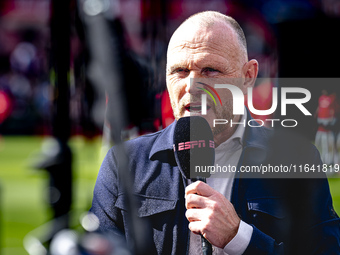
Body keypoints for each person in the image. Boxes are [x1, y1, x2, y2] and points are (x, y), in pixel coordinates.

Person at [91, 11, 340, 254]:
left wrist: (239, 238)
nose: (191, 86)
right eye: (180, 71)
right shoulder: (124, 162)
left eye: (210, 70)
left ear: (248, 76)